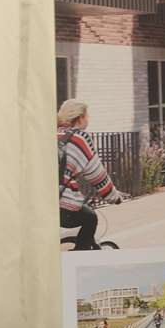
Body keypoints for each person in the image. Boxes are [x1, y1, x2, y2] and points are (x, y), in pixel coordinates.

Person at [58, 99, 123, 250]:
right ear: (80, 118)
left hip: (41, 203)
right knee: (90, 217)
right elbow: (98, 176)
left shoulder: (51, 133)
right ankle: (81, 256)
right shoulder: (80, 138)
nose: (88, 119)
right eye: (87, 116)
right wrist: (114, 197)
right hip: (62, 206)